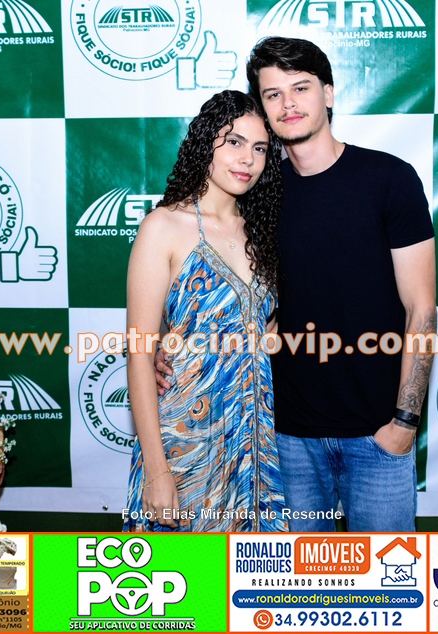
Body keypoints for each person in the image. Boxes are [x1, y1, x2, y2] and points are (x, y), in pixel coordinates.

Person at [158, 37, 436, 532]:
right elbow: (221, 291)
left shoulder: (389, 179)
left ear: (328, 93)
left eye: (301, 88)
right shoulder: (256, 196)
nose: (288, 103)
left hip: (377, 437)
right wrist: (174, 349)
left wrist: (404, 423)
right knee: (297, 578)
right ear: (262, 109)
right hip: (284, 440)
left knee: (388, 578)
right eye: (273, 94)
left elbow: (422, 310)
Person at [124, 90, 287, 532]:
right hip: (185, 442)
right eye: (234, 142)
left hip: (254, 444)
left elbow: (267, 330)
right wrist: (156, 471)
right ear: (204, 144)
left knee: (250, 571)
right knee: (181, 571)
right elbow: (139, 354)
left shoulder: (260, 231)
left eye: (260, 148)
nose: (248, 159)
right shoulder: (163, 226)